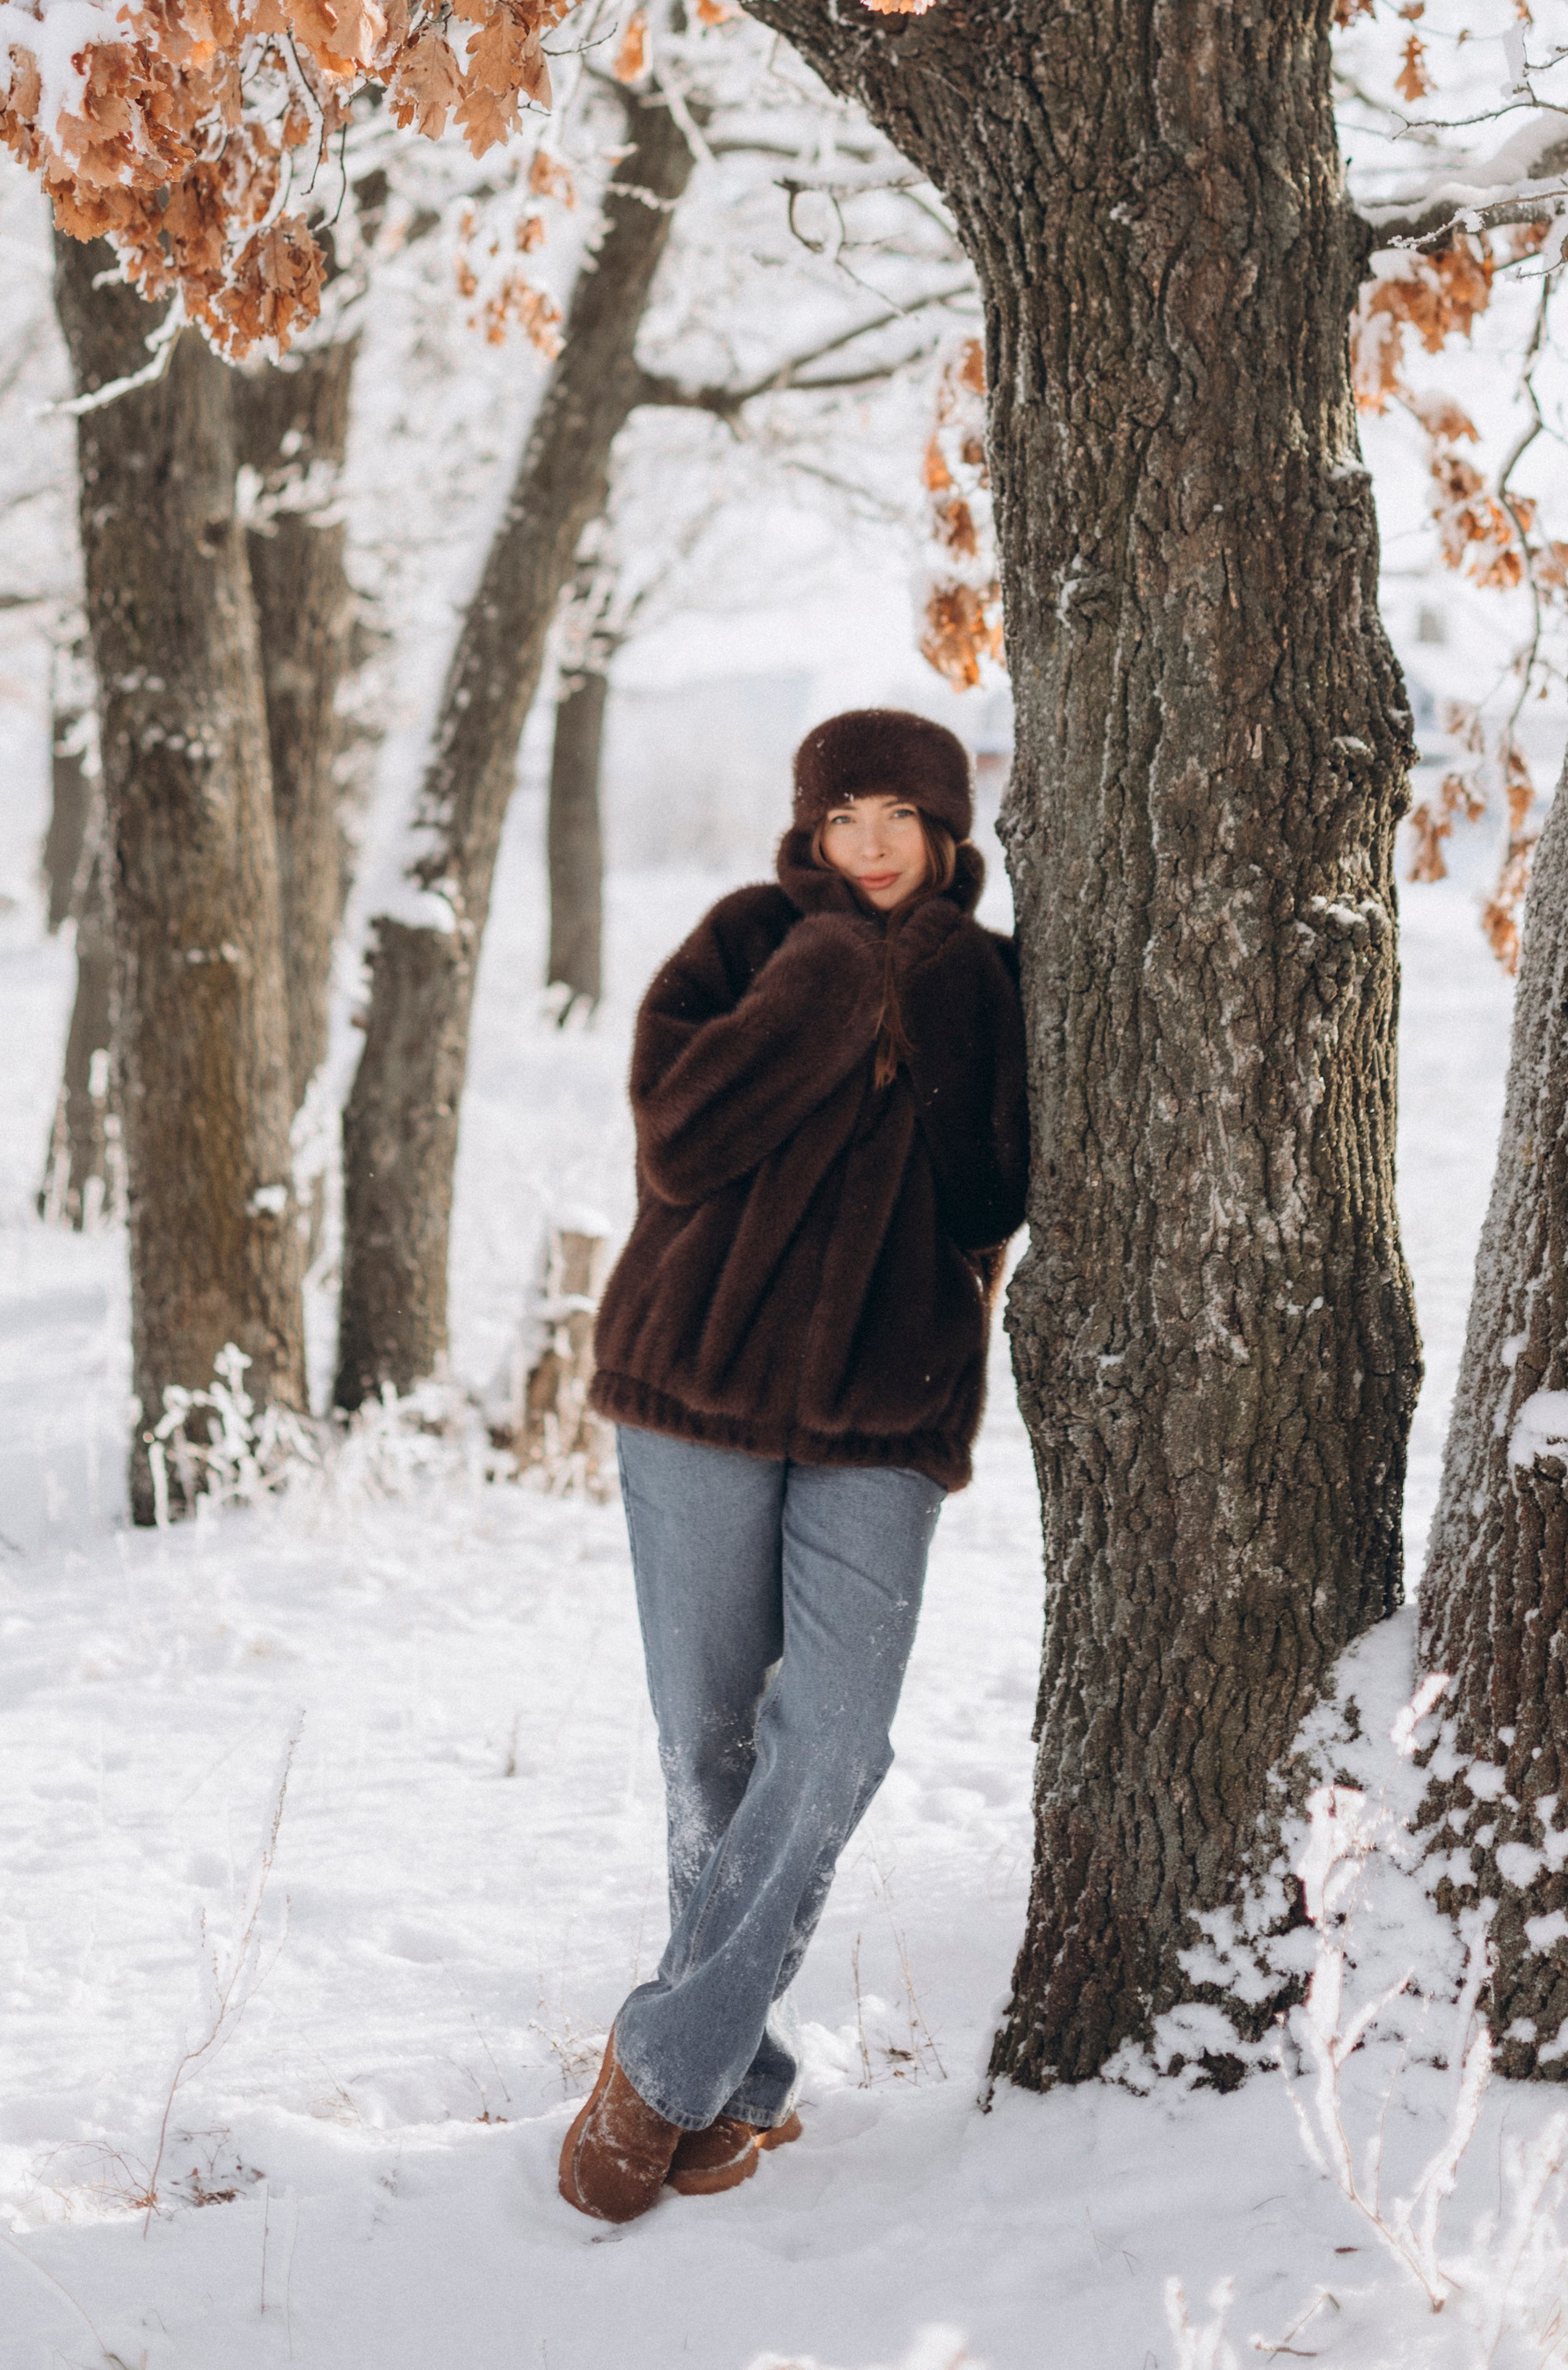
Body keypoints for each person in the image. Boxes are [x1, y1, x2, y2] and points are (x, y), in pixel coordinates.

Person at [557, 707, 1028, 2225]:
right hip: (691, 1387)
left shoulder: (991, 977)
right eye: (846, 818)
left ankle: (660, 2062)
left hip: (886, 1413)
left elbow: (991, 1191)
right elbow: (680, 1144)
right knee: (708, 1749)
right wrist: (832, 982)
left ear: (948, 831)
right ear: (808, 830)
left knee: (833, 1737)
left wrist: (939, 994)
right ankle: (736, 2080)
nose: (874, 844)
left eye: (902, 816)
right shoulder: (752, 941)